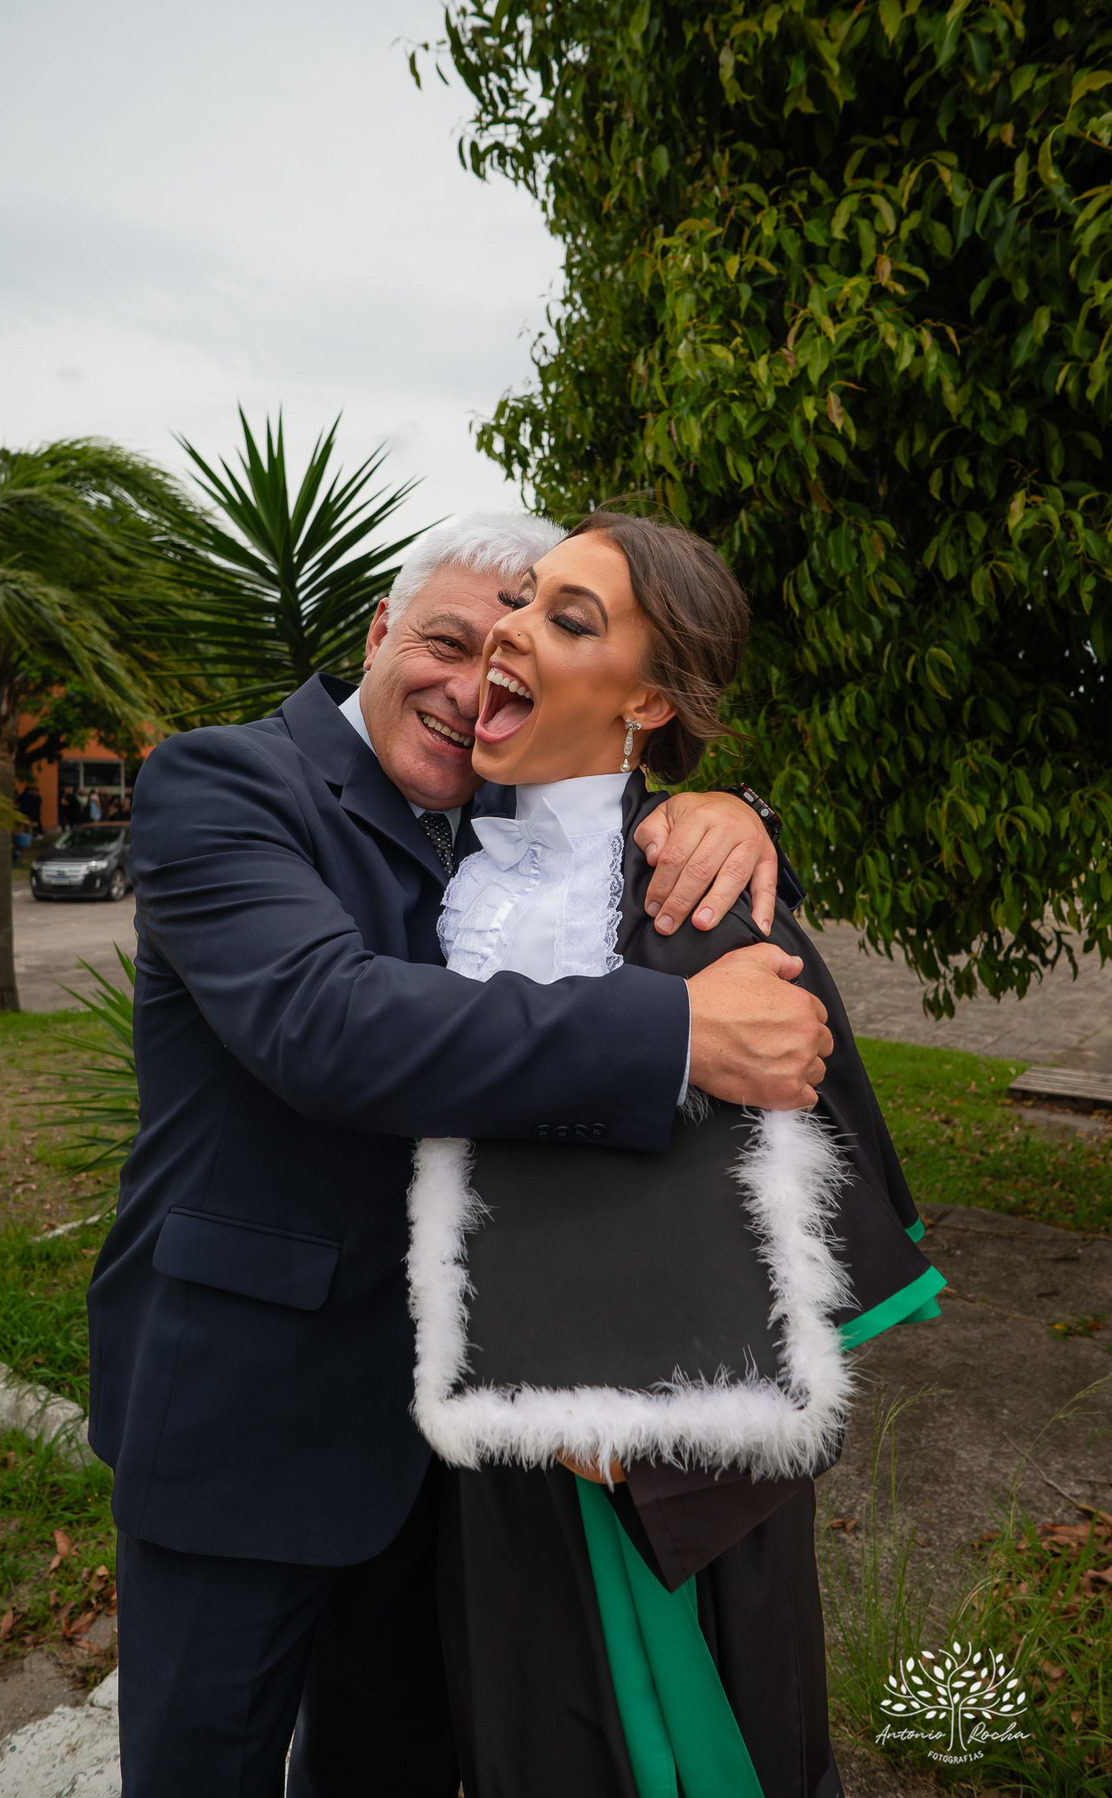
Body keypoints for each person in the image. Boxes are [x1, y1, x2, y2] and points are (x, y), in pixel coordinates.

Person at [86, 512, 832, 1798]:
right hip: (246, 1427)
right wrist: (674, 1032)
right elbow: (324, 1024)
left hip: (452, 1473)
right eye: (445, 639)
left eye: (507, 649)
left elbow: (609, 798)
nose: (472, 677)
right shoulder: (225, 783)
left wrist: (727, 809)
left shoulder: (502, 806)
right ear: (377, 630)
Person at [406, 513, 945, 1798]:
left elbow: (819, 1231)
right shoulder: (424, 859)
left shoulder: (702, 903)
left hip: (653, 1483)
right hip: (479, 1475)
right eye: (522, 602)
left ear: (648, 699)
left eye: (568, 619)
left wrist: (641, 1433)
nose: (513, 631)